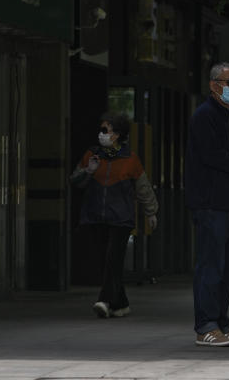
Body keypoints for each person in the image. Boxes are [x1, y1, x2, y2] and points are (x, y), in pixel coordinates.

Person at [185, 62, 229, 347]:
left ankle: (222, 324)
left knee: (227, 269)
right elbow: (212, 156)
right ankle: (205, 327)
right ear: (214, 85)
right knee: (210, 266)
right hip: (210, 203)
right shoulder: (205, 116)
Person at [70, 112, 158, 319]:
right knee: (105, 261)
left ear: (117, 134)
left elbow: (143, 187)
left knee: (112, 259)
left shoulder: (130, 159)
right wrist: (89, 171)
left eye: (105, 130)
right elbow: (75, 182)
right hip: (95, 216)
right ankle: (120, 303)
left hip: (121, 218)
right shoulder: (92, 155)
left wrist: (151, 212)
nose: (101, 134)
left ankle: (103, 300)